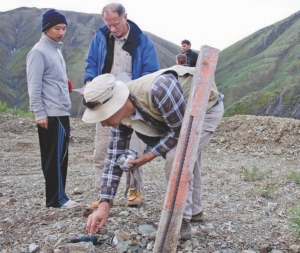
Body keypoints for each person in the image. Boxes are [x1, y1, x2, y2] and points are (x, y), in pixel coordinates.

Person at [82, 65, 224, 239]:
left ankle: (179, 224)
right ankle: (194, 212)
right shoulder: (120, 117)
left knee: (177, 156)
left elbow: (179, 132)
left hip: (206, 109)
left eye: (103, 117)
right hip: (177, 117)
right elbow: (113, 159)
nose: (103, 124)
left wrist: (147, 157)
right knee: (188, 157)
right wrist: (104, 204)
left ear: (116, 105)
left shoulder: (159, 89)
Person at [82, 2, 160, 212]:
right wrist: (89, 80)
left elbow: (152, 72)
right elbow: (91, 63)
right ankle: (103, 194)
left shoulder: (143, 41)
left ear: (125, 17)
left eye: (115, 23)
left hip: (130, 104)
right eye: (108, 25)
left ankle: (133, 191)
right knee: (103, 149)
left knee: (134, 148)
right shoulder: (100, 38)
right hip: (105, 103)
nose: (112, 28)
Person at [26, 9, 78, 209]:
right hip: (51, 113)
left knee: (61, 156)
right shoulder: (38, 51)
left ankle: (59, 196)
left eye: (64, 28)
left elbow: (51, 77)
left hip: (61, 110)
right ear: (46, 28)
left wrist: (64, 82)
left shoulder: (55, 50)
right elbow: (34, 85)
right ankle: (56, 199)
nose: (61, 32)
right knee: (53, 157)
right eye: (57, 28)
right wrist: (39, 113)